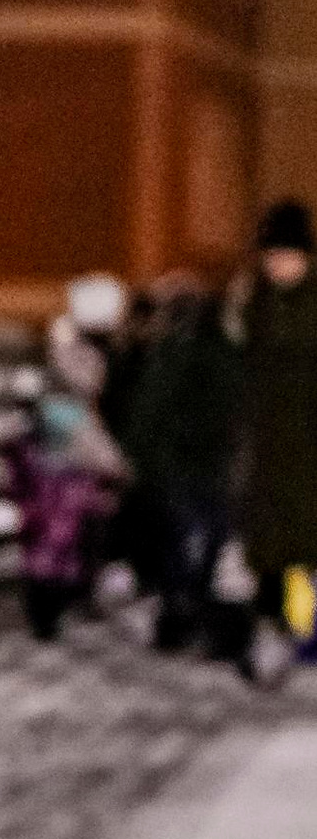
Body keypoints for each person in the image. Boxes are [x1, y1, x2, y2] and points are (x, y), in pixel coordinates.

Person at [126, 261, 253, 668]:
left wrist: (146, 460)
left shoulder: (175, 352)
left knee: (190, 547)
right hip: (213, 468)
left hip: (185, 469)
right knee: (209, 547)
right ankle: (204, 625)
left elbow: (148, 414)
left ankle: (184, 621)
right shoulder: (227, 352)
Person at [7, 282, 132, 640]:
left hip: (55, 470)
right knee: (59, 541)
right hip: (63, 472)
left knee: (55, 541)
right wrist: (115, 464)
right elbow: (79, 428)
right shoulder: (74, 374)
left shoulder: (58, 367)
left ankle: (50, 606)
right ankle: (48, 608)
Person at [234, 199, 317, 669]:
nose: (280, 265)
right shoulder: (252, 305)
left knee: (303, 550)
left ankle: (302, 632)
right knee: (268, 549)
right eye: (273, 256)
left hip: (307, 447)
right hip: (265, 448)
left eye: (288, 255)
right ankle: (273, 631)